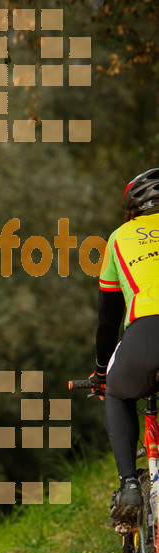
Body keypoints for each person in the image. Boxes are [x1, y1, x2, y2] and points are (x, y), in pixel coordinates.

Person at [91, 168, 159, 527]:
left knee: (117, 392)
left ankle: (130, 484)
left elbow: (108, 316)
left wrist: (102, 371)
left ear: (132, 208)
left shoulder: (119, 238)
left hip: (145, 335)